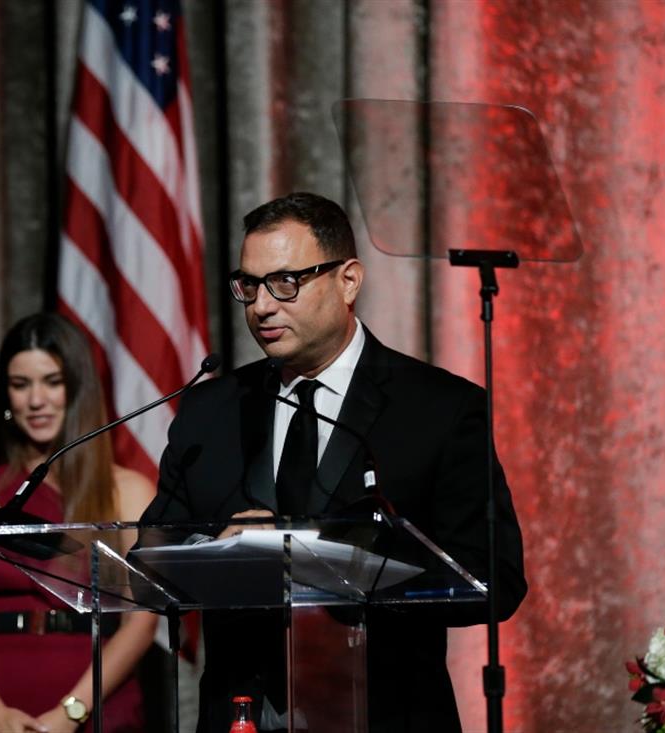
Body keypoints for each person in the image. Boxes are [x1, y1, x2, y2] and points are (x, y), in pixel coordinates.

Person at [140, 192, 527, 733]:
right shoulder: (210, 410)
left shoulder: (440, 408)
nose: (262, 306)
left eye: (285, 282)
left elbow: (494, 580)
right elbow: (149, 557)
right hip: (241, 716)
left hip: (385, 713)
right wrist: (221, 552)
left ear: (348, 281)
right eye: (249, 285)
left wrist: (324, 562)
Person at [0, 313, 157, 733]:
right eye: (21, 385)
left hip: (98, 708)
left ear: (78, 389)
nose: (36, 400)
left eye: (52, 382)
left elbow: (141, 622)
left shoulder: (128, 492)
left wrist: (72, 712)